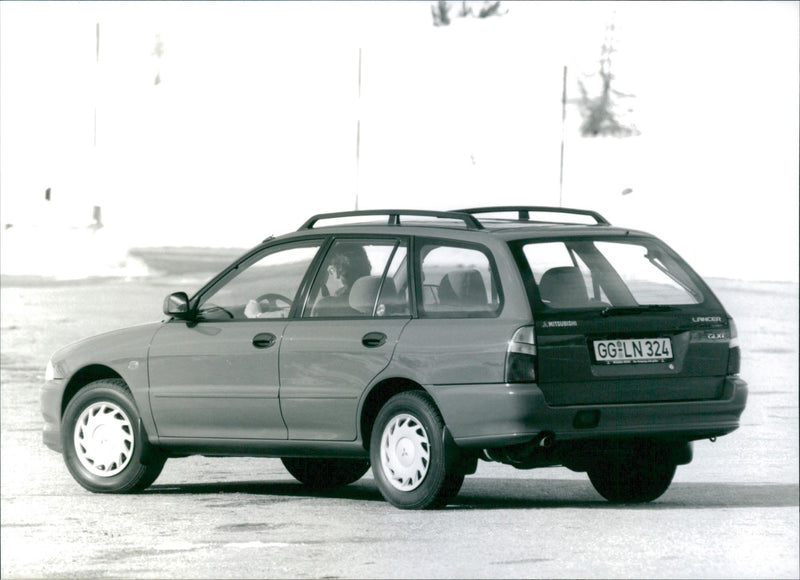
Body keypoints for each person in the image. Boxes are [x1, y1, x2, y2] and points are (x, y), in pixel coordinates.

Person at [311, 243, 372, 317]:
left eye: (331, 270)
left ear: (338, 271)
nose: (330, 274)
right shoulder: (379, 303)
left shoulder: (325, 307)